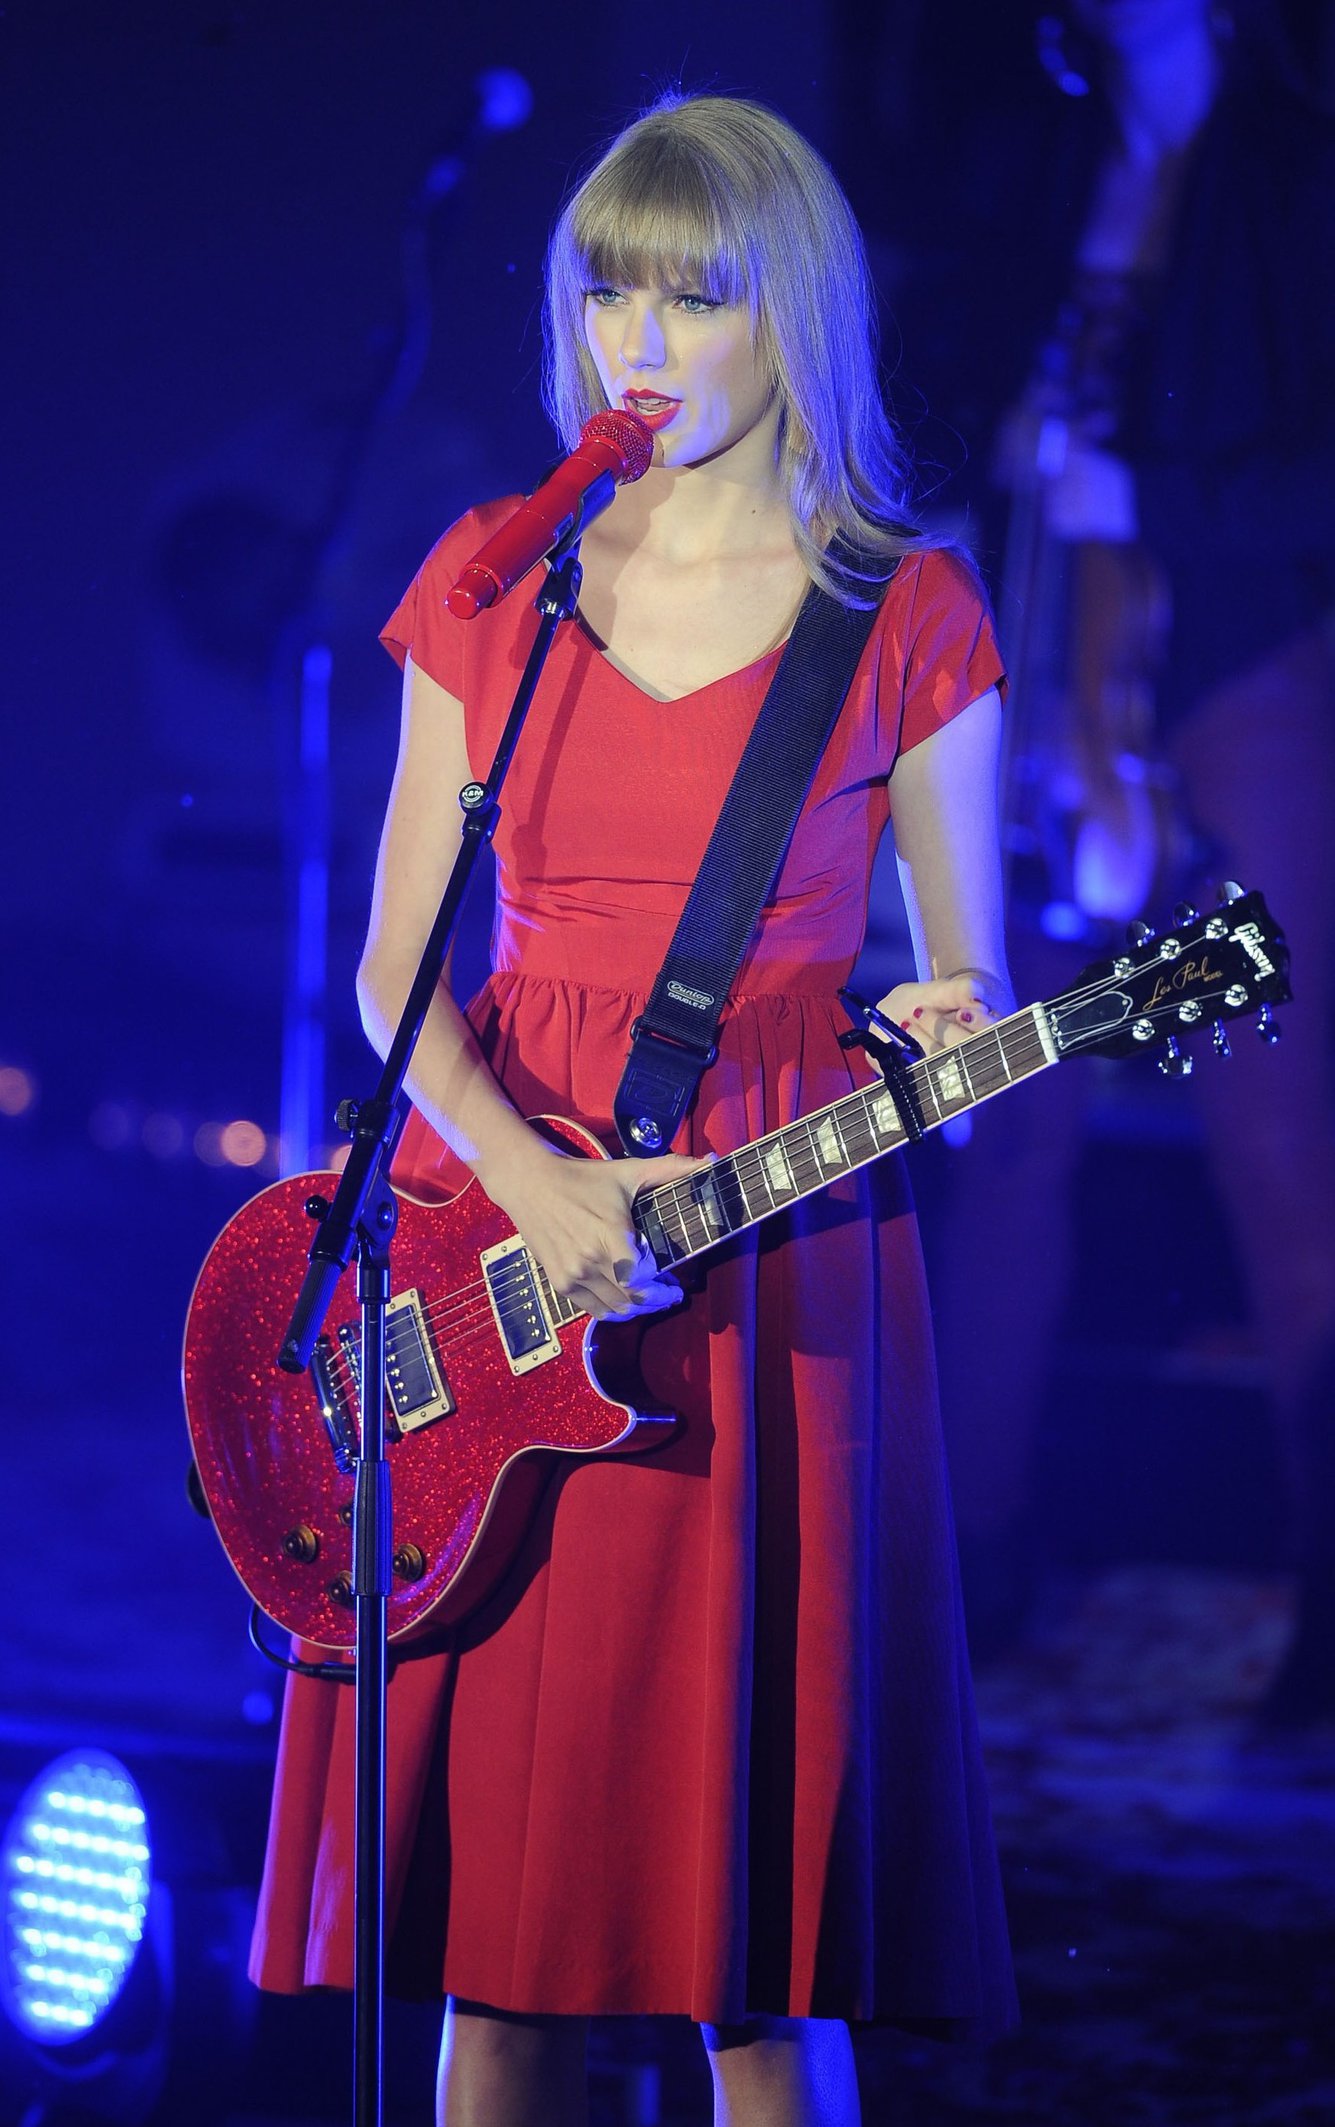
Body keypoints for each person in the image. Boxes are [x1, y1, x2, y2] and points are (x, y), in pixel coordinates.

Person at [248, 92, 1018, 2123]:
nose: (640, 347)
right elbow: (392, 971)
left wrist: (950, 1037)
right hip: (488, 1231)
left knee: (751, 1966)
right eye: (607, 297)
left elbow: (969, 989)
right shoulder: (493, 581)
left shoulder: (910, 614)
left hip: (767, 1264)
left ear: (795, 312)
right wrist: (532, 1188)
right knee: (490, 1955)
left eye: (694, 299)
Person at [930, 0, 1335, 1707]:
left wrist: (1142, 502)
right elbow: (967, 395)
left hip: (1242, 677)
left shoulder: (1299, 168)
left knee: (1283, 1147)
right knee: (1008, 1125)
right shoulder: (1046, 161)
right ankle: (967, 1561)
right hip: (1058, 705)